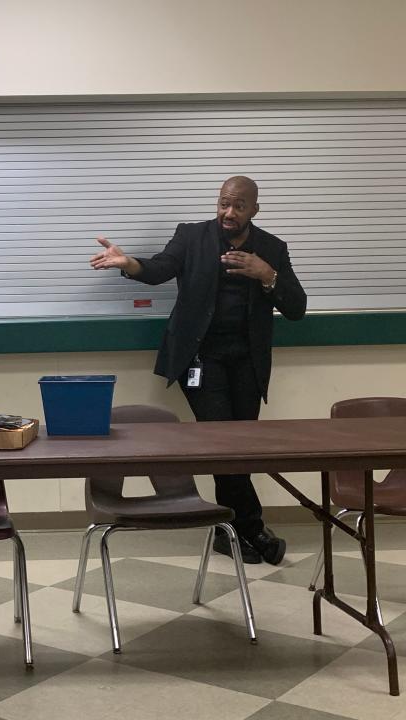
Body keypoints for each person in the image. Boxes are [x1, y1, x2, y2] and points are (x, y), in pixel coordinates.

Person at [90, 176, 306, 565]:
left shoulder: (272, 249)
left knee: (240, 448)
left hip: (248, 363)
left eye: (239, 206)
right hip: (200, 360)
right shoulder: (191, 237)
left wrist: (266, 274)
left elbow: (297, 308)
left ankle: (232, 532)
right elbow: (159, 269)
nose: (229, 212)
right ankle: (251, 528)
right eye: (224, 203)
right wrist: (129, 264)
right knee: (223, 443)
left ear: (254, 209)